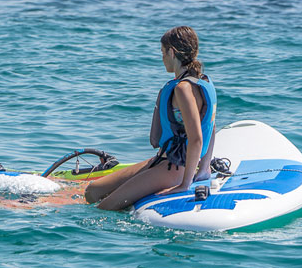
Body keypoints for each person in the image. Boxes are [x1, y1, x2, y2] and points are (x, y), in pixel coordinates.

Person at [85, 27, 217, 211]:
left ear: (171, 52)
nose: (162, 58)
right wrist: (204, 169)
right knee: (92, 191)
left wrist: (185, 185)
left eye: (163, 53)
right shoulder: (203, 81)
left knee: (105, 208)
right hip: (163, 161)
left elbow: (197, 138)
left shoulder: (183, 89)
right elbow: (211, 125)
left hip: (174, 169)